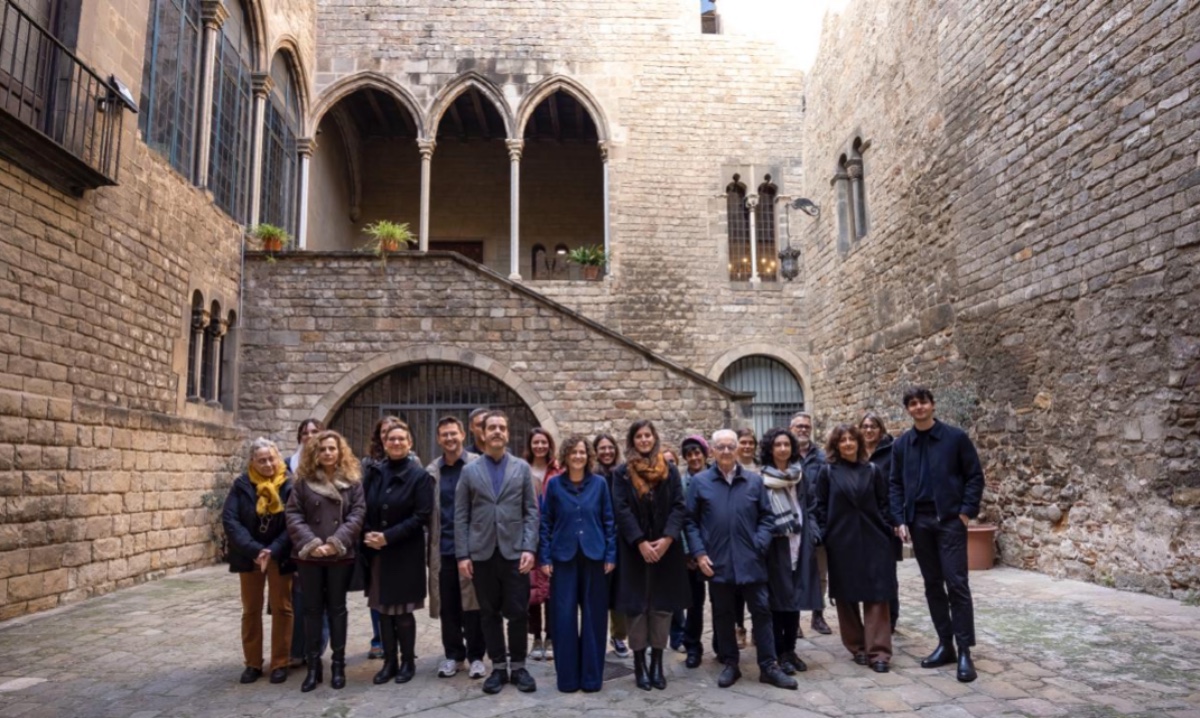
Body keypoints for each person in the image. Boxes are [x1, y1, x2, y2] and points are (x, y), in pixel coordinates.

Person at [685, 429, 796, 690]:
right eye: (720, 447)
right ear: (712, 451)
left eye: (730, 446)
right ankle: (731, 663)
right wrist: (700, 553)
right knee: (723, 614)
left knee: (761, 611)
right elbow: (690, 522)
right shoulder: (700, 483)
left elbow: (767, 518)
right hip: (717, 561)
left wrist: (759, 544)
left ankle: (768, 666)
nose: (725, 451)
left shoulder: (754, 481)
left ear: (737, 450)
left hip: (751, 559)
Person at [888, 386, 984, 683]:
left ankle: (965, 649)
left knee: (957, 584)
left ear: (932, 405)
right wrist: (900, 519)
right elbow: (895, 485)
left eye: (923, 402)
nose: (918, 407)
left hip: (950, 521)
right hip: (920, 523)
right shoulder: (902, 444)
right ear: (908, 409)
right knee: (932, 584)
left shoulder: (955, 438)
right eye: (913, 404)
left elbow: (974, 476)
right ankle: (946, 644)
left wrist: (966, 512)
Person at [455, 410, 540, 694]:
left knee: (517, 612)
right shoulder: (469, 470)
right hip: (481, 553)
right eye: (492, 427)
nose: (497, 432)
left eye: (502, 427)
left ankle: (519, 667)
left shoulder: (521, 468)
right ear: (482, 432)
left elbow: (531, 511)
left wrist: (529, 547)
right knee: (488, 613)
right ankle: (499, 668)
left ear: (507, 432)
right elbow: (461, 515)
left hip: (515, 552)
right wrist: (463, 554)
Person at [611, 420, 690, 691]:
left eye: (648, 435)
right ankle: (639, 665)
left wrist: (667, 539)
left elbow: (679, 506)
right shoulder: (622, 474)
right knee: (637, 608)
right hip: (634, 552)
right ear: (632, 441)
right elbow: (621, 510)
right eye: (639, 436)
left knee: (662, 608)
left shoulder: (669, 470)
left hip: (665, 551)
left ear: (654, 438)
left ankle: (657, 663)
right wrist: (640, 542)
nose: (644, 440)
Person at [286, 430, 366, 692]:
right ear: (315, 454)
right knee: (310, 611)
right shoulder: (302, 481)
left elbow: (357, 514)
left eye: (332, 448)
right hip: (309, 556)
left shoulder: (352, 481)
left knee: (337, 610)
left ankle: (339, 666)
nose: (328, 453)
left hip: (339, 556)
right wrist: (313, 544)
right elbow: (294, 514)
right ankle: (313, 668)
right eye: (323, 450)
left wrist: (335, 542)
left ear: (340, 451)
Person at [813, 424, 897, 673]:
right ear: (836, 445)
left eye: (852, 439)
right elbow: (820, 506)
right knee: (847, 596)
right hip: (842, 542)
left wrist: (885, 528)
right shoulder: (827, 473)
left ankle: (879, 652)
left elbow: (884, 503)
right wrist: (825, 534)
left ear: (859, 443)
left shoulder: (872, 470)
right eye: (843, 440)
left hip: (874, 540)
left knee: (878, 595)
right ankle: (857, 647)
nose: (848, 443)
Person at [539, 435, 616, 692]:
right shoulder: (554, 486)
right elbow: (546, 522)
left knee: (594, 619)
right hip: (563, 559)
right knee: (563, 618)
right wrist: (545, 557)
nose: (578, 457)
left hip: (595, 557)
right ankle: (568, 679)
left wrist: (611, 554)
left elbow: (609, 521)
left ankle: (592, 678)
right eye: (573, 452)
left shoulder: (600, 484)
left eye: (582, 452)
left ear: (588, 455)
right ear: (565, 456)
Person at [361, 421, 435, 685]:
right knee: (383, 610)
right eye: (391, 439)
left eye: (401, 439)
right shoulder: (374, 472)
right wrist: (368, 533)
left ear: (410, 443)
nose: (396, 443)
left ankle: (407, 662)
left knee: (402, 612)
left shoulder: (420, 476)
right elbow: (364, 505)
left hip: (404, 553)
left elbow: (421, 516)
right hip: (378, 554)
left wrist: (387, 537)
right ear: (384, 443)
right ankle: (389, 662)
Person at [223, 438, 295, 684]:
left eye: (271, 458)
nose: (267, 464)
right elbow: (231, 521)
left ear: (278, 458)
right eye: (261, 460)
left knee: (282, 608)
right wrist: (255, 550)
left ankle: (280, 663)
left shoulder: (289, 485)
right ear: (252, 462)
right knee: (251, 610)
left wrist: (272, 550)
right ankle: (253, 663)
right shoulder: (241, 485)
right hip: (251, 556)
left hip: (279, 555)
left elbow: (293, 522)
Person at [426, 417, 487, 680]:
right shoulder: (432, 471)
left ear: (463, 434)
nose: (449, 439)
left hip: (473, 549)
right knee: (448, 605)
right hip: (444, 548)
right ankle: (453, 655)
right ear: (439, 439)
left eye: (453, 433)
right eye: (444, 435)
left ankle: (476, 656)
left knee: (473, 605)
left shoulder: (477, 464)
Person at [758, 428, 821, 676]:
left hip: (800, 543)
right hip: (776, 546)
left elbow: (811, 506)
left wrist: (813, 532)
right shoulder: (761, 479)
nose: (783, 449)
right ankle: (778, 651)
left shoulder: (799, 475)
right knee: (778, 602)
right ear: (770, 449)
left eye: (786, 444)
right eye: (777, 445)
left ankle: (790, 651)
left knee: (794, 600)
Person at [288, 420, 330, 668]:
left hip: (328, 543)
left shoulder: (331, 466)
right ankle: (297, 648)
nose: (310, 436)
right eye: (305, 433)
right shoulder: (288, 466)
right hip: (298, 542)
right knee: (298, 599)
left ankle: (316, 647)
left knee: (322, 599)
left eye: (315, 432)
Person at [361, 415, 403, 660]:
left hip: (399, 538)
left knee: (399, 595)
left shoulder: (412, 461)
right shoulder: (368, 464)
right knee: (376, 594)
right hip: (375, 537)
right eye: (385, 432)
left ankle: (399, 639)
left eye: (395, 432)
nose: (390, 436)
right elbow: (363, 499)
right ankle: (379, 637)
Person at [790, 411, 831, 635]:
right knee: (794, 571)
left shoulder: (822, 457)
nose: (803, 429)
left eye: (807, 426)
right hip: (794, 524)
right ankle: (793, 620)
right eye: (799, 426)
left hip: (819, 521)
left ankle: (818, 615)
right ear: (791, 429)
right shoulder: (785, 455)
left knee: (821, 572)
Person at [861, 411, 901, 632]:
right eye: (865, 426)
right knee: (864, 571)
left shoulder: (892, 452)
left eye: (873, 426)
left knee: (887, 571)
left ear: (881, 429)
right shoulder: (855, 452)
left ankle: (891, 618)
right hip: (860, 522)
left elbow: (897, 486)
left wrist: (896, 519)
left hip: (884, 520)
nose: (868, 430)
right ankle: (870, 619)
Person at [524, 428, 560, 661]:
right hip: (529, 536)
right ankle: (535, 636)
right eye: (536, 442)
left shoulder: (558, 470)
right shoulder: (522, 469)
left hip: (554, 536)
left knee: (552, 590)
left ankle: (551, 636)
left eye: (543, 442)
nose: (540, 446)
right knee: (532, 590)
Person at [594, 433, 630, 659]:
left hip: (620, 539)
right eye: (602, 448)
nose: (606, 452)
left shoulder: (624, 475)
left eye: (610, 448)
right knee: (599, 590)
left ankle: (618, 635)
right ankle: (596, 635)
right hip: (598, 539)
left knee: (619, 590)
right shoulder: (591, 476)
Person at [676, 434, 710, 668]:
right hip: (690, 553)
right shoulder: (680, 483)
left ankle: (722, 643)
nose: (694, 457)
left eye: (697, 453)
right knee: (694, 602)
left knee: (721, 602)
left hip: (715, 549)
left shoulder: (715, 478)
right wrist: (688, 553)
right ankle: (692, 646)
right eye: (689, 454)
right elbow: (681, 519)